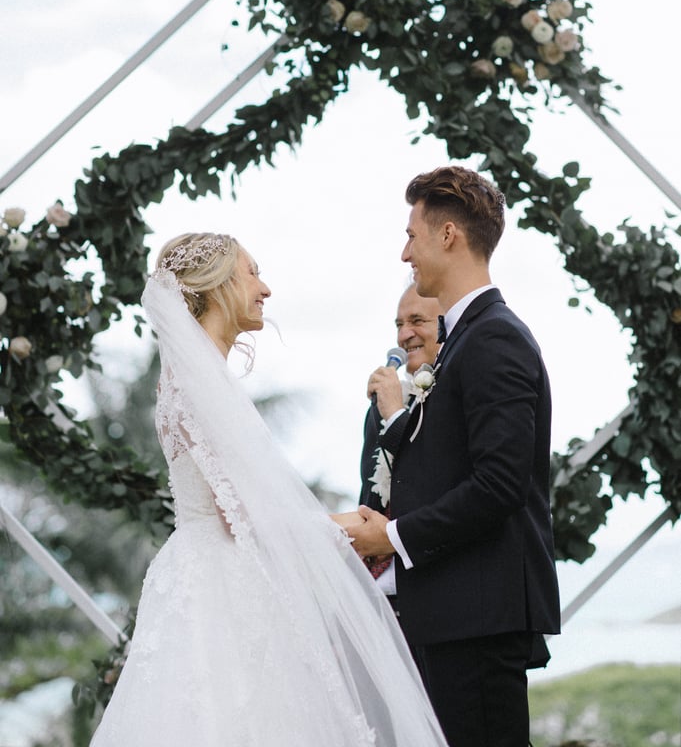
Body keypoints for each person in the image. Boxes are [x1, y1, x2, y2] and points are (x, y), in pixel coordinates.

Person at [89, 232, 447, 747]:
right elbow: (241, 514)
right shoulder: (196, 385)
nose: (267, 289)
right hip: (222, 590)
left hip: (219, 573)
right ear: (218, 285)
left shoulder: (202, 377)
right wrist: (347, 526)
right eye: (253, 272)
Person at [340, 167, 561, 747]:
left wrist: (394, 537)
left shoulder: (495, 338)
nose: (404, 251)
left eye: (411, 234)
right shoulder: (464, 338)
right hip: (452, 614)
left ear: (447, 236)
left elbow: (499, 485)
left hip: (477, 621)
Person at [359, 284, 440, 594]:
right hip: (382, 590)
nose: (404, 335)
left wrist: (396, 414)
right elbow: (370, 495)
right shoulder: (385, 402)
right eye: (399, 325)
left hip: (433, 584)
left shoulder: (455, 398)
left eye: (417, 321)